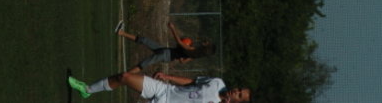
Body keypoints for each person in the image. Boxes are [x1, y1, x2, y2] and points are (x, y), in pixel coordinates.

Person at [67, 71, 251, 103]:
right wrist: (168, 77)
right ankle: (87, 90)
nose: (236, 91)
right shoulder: (218, 82)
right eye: (239, 89)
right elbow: (191, 82)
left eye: (239, 95)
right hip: (165, 90)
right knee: (124, 77)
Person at [115, 20, 216, 73]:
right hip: (166, 53)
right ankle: (121, 32)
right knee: (144, 40)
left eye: (208, 43)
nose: (206, 42)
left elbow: (179, 42)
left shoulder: (192, 49)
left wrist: (172, 29)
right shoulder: (195, 55)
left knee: (144, 63)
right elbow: (182, 61)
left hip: (166, 54)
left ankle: (125, 76)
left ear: (206, 48)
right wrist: (181, 54)